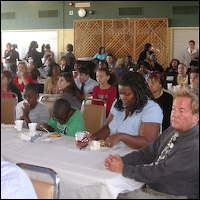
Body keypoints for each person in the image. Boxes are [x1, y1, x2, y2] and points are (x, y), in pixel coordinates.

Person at [104, 88, 199, 199]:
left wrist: (124, 169)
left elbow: (161, 173)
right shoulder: (173, 130)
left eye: (181, 111)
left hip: (172, 195)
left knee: (113, 195)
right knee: (110, 191)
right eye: (173, 109)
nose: (174, 114)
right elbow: (148, 153)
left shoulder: (194, 146)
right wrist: (122, 160)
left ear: (196, 117)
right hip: (154, 187)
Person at [77, 72, 163, 150]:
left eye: (127, 94)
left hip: (136, 155)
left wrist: (122, 136)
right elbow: (108, 128)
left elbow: (147, 142)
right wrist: (94, 137)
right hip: (113, 151)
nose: (123, 97)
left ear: (139, 93)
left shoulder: (152, 109)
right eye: (120, 93)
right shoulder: (119, 103)